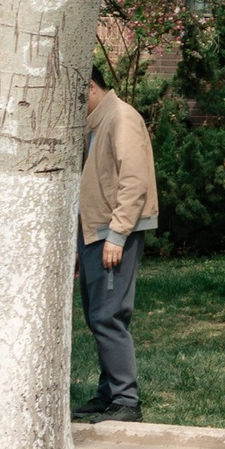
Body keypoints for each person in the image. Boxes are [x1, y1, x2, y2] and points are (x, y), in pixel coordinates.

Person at [76, 65, 160, 424]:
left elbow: (134, 180)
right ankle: (109, 393)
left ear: (91, 88)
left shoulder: (121, 118)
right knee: (98, 316)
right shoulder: (99, 121)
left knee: (108, 315)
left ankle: (127, 400)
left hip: (112, 232)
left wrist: (117, 234)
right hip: (96, 231)